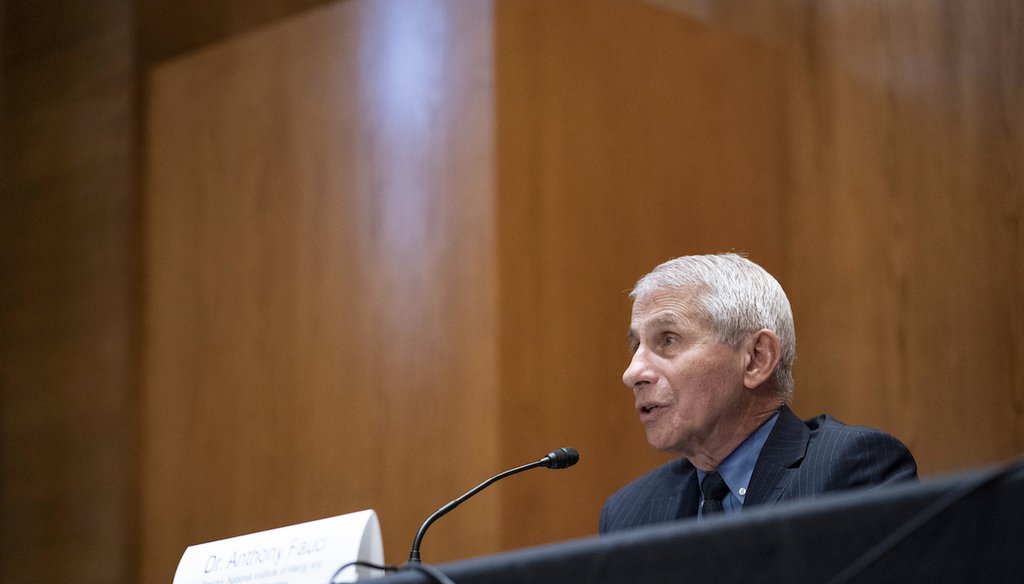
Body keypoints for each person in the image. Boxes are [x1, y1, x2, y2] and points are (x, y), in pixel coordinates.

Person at [600, 253, 917, 533]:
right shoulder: (630, 514)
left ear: (756, 359)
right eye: (635, 346)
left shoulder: (848, 471)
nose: (632, 374)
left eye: (668, 340)